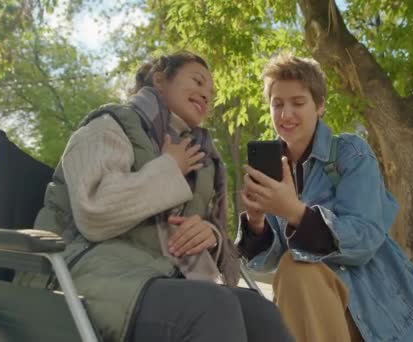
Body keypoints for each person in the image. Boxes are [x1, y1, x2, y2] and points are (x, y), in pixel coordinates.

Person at [27, 51, 294, 342]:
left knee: (260, 311)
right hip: (84, 274)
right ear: (159, 79)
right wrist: (169, 168)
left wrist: (211, 235)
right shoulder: (108, 126)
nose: (207, 94)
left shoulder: (201, 159)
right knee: (210, 306)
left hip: (163, 277)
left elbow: (218, 250)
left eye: (212, 92)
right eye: (198, 81)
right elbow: (95, 212)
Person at [237, 54, 413, 342]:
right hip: (306, 304)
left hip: (368, 309)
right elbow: (265, 262)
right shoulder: (275, 168)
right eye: (277, 104)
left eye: (298, 102)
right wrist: (256, 222)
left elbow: (364, 239)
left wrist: (294, 211)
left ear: (319, 105)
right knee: (289, 273)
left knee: (296, 268)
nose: (285, 114)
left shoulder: (350, 154)